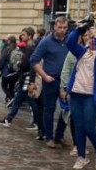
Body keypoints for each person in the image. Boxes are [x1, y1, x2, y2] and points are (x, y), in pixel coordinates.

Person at [65, 20, 96, 170]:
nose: (90, 39)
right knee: (78, 125)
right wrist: (79, 30)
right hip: (77, 93)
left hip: (92, 95)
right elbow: (70, 43)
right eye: (88, 37)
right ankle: (81, 157)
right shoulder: (82, 52)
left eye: (93, 37)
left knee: (89, 126)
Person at [30, 16, 71, 145]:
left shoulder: (70, 40)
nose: (62, 30)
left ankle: (59, 135)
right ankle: (49, 137)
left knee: (66, 109)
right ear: (55, 27)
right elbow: (34, 60)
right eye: (60, 27)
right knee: (49, 108)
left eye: (64, 28)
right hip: (51, 80)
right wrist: (44, 76)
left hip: (66, 81)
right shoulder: (46, 42)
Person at [0, 28, 38, 129]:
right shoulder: (27, 47)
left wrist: (31, 80)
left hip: (27, 76)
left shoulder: (31, 48)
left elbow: (30, 63)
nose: (21, 37)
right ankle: (9, 119)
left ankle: (37, 122)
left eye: (24, 35)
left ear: (30, 36)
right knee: (19, 99)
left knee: (29, 100)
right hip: (24, 76)